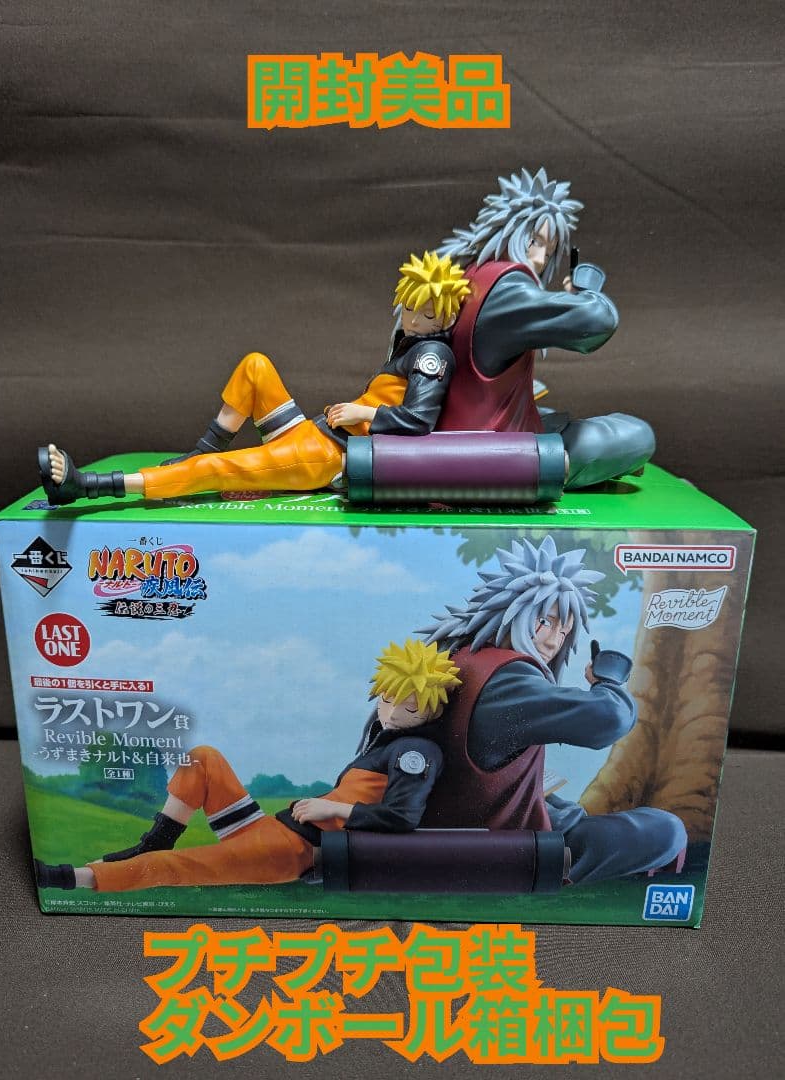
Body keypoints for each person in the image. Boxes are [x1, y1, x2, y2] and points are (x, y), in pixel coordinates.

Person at [37, 252, 470, 505]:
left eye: (427, 314)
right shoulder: (411, 345)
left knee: (217, 470)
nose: (414, 320)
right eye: (410, 308)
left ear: (448, 317)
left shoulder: (431, 355)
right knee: (255, 366)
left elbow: (419, 420)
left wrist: (365, 414)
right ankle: (200, 450)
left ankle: (88, 487)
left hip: (325, 456)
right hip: (314, 433)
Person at [33, 639, 461, 892]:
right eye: (387, 698)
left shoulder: (416, 752)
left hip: (288, 851)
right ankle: (156, 841)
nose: (392, 713)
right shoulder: (386, 741)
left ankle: (71, 878)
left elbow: (402, 817)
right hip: (270, 829)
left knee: (180, 867)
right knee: (203, 757)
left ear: (435, 711)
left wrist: (334, 809)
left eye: (410, 708)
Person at [418, 534, 687, 884]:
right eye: (545, 621)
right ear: (512, 611)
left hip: (472, 816)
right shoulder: (507, 679)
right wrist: (607, 681)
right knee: (666, 829)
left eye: (564, 630)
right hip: (504, 847)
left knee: (563, 805)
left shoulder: (463, 656)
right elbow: (608, 719)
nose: (552, 640)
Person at [435, 167, 656, 488]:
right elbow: (597, 322)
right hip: (494, 451)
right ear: (509, 230)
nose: (539, 259)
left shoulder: (472, 275)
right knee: (636, 434)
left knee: (552, 414)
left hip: (463, 427)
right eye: (534, 242)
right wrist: (588, 292)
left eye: (549, 251)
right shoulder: (507, 289)